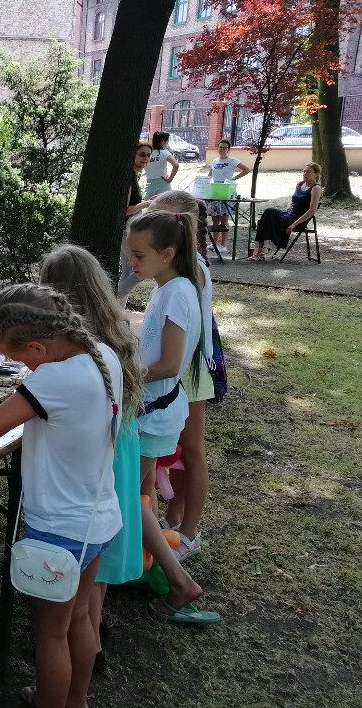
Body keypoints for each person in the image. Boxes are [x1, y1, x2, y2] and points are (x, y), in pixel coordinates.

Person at [0, 283, 123, 708]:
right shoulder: (103, 355)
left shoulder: (54, 378)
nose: (22, 367)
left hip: (60, 530)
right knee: (80, 616)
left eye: (20, 359)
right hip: (98, 519)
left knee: (51, 635)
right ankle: (76, 701)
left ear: (39, 348)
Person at [39, 244, 144, 673]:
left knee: (76, 591)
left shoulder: (70, 359)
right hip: (118, 449)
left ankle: (86, 644)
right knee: (93, 569)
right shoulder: (111, 341)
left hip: (92, 465)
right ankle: (91, 637)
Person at [125, 210, 220, 624]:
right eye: (130, 254)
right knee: (142, 495)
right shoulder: (165, 287)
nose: (132, 263)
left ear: (167, 253)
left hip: (157, 413)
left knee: (132, 498)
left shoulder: (179, 291)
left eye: (139, 256)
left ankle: (179, 583)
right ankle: (142, 566)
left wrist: (123, 374)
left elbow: (169, 364)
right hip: (151, 409)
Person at [149, 191, 214, 560]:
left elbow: (183, 331)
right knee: (176, 451)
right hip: (177, 368)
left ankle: (189, 533)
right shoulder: (176, 267)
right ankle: (173, 521)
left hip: (188, 370)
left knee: (191, 452)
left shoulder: (192, 270)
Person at [250, 162, 322, 260]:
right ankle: (264, 247)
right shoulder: (300, 184)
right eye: (304, 171)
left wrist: (293, 225)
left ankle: (261, 251)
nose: (305, 174)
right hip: (289, 214)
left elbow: (312, 211)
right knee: (268, 212)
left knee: (267, 221)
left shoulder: (316, 188)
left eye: (308, 172)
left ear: (316, 174)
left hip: (298, 219)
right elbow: (293, 200)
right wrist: (289, 205)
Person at [116, 141, 153, 307]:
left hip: (130, 229)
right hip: (127, 230)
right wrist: (145, 204)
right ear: (133, 155)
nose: (146, 158)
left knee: (128, 271)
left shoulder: (133, 175)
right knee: (144, 268)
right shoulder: (129, 177)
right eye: (142, 154)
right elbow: (125, 210)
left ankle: (118, 310)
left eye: (148, 155)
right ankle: (114, 299)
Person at [206, 139, 251, 252]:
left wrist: (234, 178)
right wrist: (204, 184)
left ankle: (223, 245)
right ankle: (214, 243)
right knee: (215, 218)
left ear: (228, 149)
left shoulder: (232, 160)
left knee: (224, 218)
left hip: (226, 190)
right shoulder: (214, 161)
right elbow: (209, 175)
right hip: (215, 191)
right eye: (220, 147)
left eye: (224, 147)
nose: (222, 149)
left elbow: (246, 169)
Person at [144, 131, 180, 199]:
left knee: (149, 204)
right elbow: (176, 165)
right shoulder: (165, 153)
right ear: (162, 142)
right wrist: (170, 179)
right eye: (167, 142)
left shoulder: (148, 154)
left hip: (150, 183)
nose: (167, 144)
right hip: (164, 184)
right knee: (165, 204)